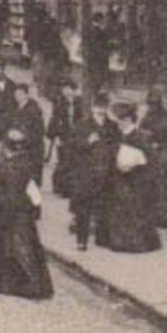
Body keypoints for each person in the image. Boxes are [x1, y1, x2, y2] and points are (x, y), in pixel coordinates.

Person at [0, 129, 54, 300]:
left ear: (6, 148)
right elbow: (35, 194)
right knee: (27, 248)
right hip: (23, 213)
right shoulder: (28, 166)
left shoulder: (0, 169)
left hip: (5, 213)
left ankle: (9, 283)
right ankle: (35, 284)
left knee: (6, 248)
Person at [101, 101, 162, 253]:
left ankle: (131, 243)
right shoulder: (120, 135)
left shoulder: (140, 137)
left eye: (119, 121)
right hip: (120, 177)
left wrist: (136, 167)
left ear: (127, 120)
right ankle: (118, 240)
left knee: (132, 210)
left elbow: (152, 161)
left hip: (136, 180)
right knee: (119, 209)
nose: (117, 124)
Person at [70, 96, 119, 251]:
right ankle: (81, 240)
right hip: (87, 173)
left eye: (103, 107)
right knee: (83, 208)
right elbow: (72, 146)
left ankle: (102, 238)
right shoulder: (83, 125)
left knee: (103, 207)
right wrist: (87, 142)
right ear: (92, 107)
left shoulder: (112, 126)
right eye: (98, 106)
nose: (101, 110)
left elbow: (117, 145)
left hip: (106, 172)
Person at [140, 87, 167, 229]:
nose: (151, 106)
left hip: (156, 154)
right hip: (160, 153)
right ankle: (160, 215)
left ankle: (156, 215)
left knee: (157, 185)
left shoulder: (150, 117)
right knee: (161, 186)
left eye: (153, 103)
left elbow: (143, 135)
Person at [8, 84, 46, 181]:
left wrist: (23, 136)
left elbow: (39, 131)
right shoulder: (14, 107)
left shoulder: (34, 110)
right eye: (16, 94)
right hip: (17, 146)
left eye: (20, 94)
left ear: (26, 95)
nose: (17, 96)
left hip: (32, 148)